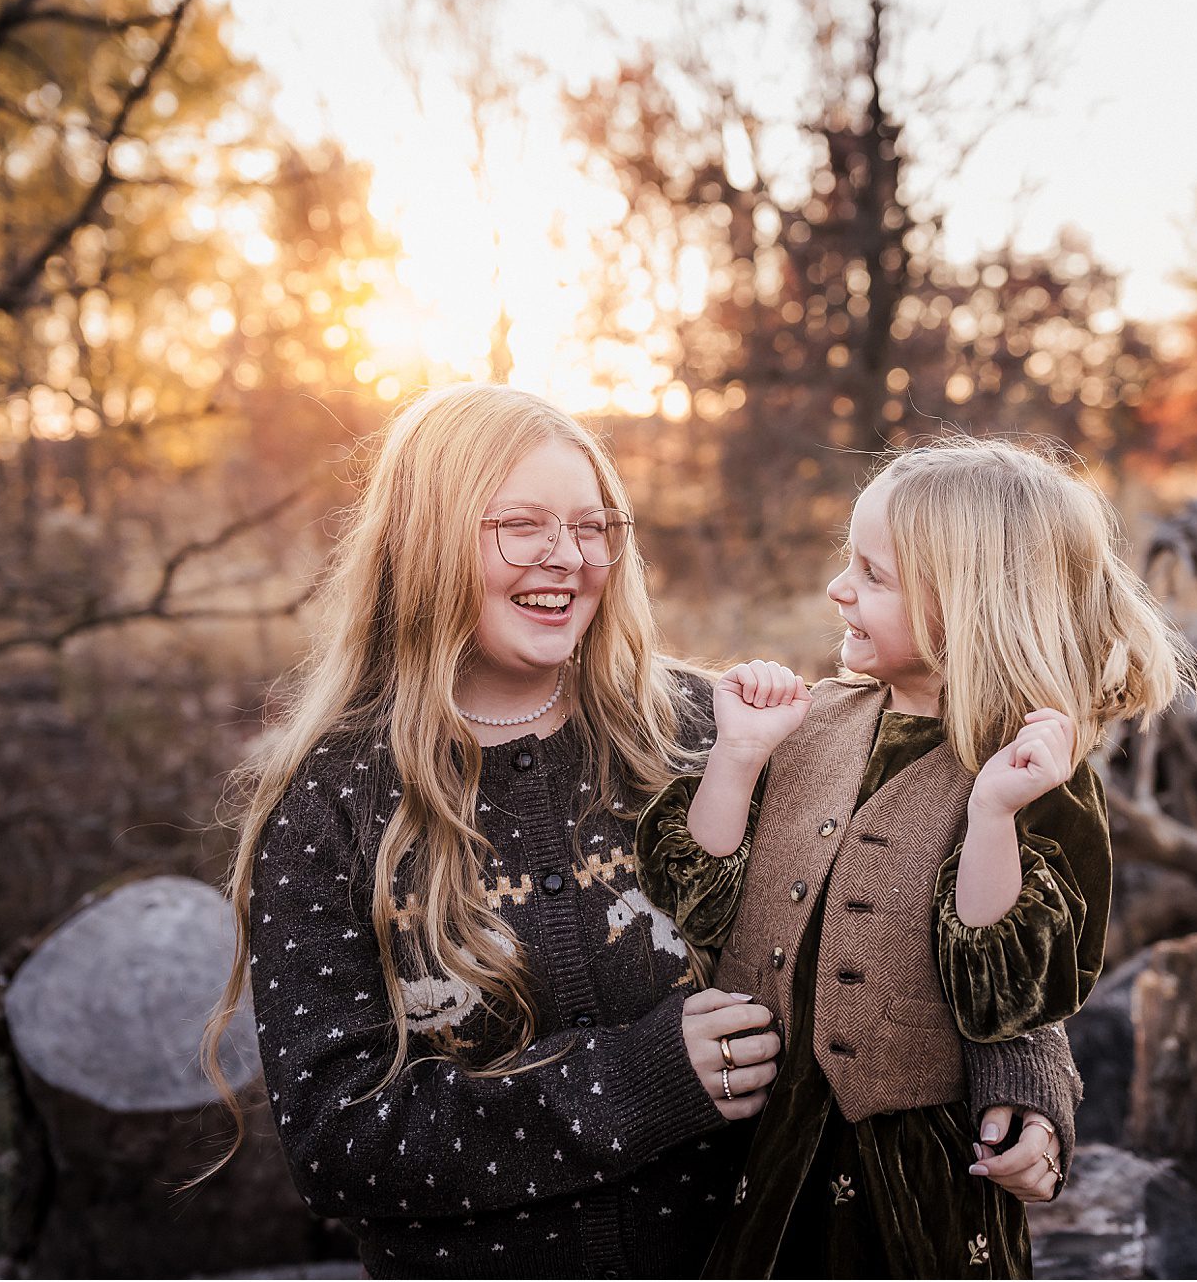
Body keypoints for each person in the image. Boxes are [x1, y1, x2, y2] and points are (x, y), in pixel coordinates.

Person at [201, 386, 1083, 1278]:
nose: (569, 558)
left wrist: (1024, 1079)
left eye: (594, 526)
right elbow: (334, 1142)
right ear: (425, 536)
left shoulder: (716, 730)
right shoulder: (334, 801)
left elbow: (900, 907)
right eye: (521, 525)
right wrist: (640, 1080)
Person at [636, 437, 1197, 1278]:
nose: (838, 588)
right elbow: (700, 899)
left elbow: (1003, 990)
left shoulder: (1031, 775)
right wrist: (737, 758)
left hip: (914, 1176)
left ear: (968, 604)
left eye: (873, 575)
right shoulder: (814, 719)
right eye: (847, 562)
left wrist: (993, 812)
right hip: (760, 1143)